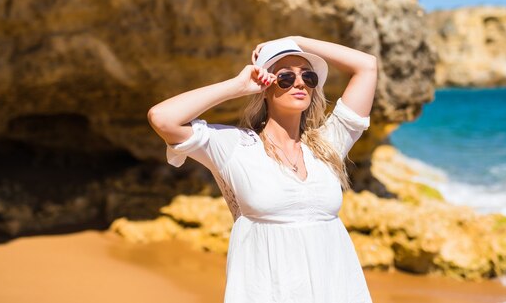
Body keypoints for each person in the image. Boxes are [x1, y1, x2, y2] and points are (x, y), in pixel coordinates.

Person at [147, 35, 377, 303]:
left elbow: (367, 66)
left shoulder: (328, 145)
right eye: (286, 77)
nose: (300, 82)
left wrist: (296, 39)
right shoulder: (235, 146)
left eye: (308, 76)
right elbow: (162, 118)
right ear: (265, 86)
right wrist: (237, 86)